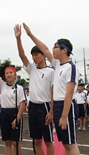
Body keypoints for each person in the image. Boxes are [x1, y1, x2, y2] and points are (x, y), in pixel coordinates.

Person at [23, 23, 80, 155]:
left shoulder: (70, 67)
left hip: (67, 106)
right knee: (66, 144)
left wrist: (64, 116)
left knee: (70, 144)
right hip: (58, 106)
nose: (52, 50)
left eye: (56, 47)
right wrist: (30, 34)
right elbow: (44, 48)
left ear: (64, 50)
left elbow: (69, 94)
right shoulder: (57, 64)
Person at [15, 24, 54, 155]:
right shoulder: (32, 69)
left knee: (48, 141)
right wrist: (18, 39)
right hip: (32, 107)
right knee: (36, 140)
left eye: (37, 54)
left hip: (45, 106)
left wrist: (52, 111)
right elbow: (22, 55)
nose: (34, 57)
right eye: (32, 55)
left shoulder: (51, 71)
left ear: (44, 55)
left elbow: (53, 93)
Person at [0, 58, 26, 155]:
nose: (8, 74)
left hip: (14, 113)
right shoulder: (2, 85)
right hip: (4, 113)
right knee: (7, 141)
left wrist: (17, 118)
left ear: (15, 74)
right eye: (7, 73)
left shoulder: (19, 88)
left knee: (15, 142)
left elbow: (22, 103)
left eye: (11, 73)